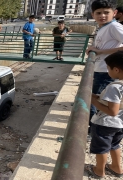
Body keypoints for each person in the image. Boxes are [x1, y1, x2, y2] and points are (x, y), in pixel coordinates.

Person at [86, 0, 123, 134]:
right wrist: (94, 49)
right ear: (93, 14)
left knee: (95, 101)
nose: (102, 15)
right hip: (100, 69)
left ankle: (93, 129)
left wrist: (101, 52)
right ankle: (93, 127)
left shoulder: (115, 27)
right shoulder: (104, 27)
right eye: (99, 13)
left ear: (114, 13)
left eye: (106, 12)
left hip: (105, 72)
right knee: (95, 99)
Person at [85, 51, 123, 178]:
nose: (108, 71)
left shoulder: (114, 87)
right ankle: (116, 168)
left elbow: (113, 111)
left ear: (116, 69)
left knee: (102, 148)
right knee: (114, 145)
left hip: (105, 123)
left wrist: (93, 100)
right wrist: (98, 97)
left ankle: (99, 171)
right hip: (120, 123)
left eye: (108, 68)